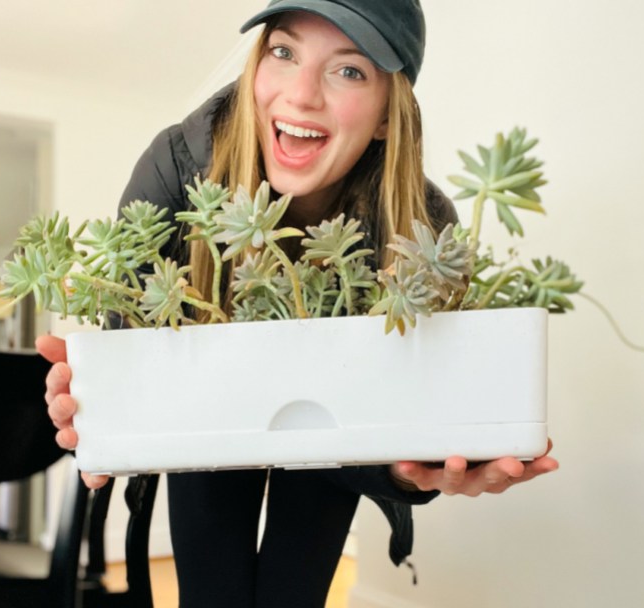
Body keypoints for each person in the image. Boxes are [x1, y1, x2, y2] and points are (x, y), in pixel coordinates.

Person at [37, 1, 559, 606]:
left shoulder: (420, 223)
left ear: (389, 116)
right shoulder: (177, 164)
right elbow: (130, 339)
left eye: (349, 71)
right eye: (283, 52)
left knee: (309, 519)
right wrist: (107, 414)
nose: (302, 94)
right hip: (206, 419)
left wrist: (407, 470)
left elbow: (394, 416)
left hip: (332, 452)